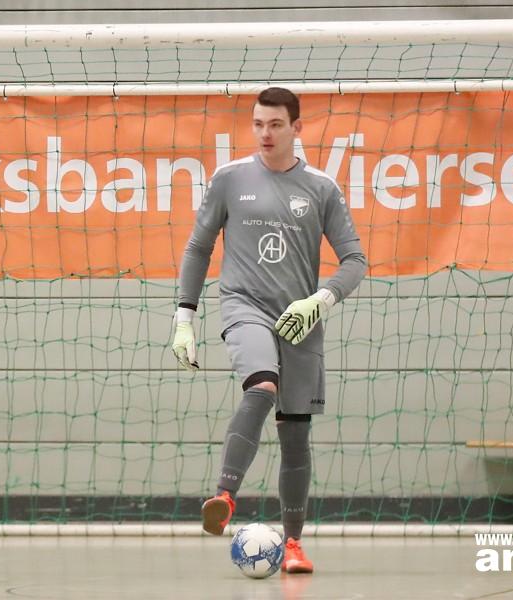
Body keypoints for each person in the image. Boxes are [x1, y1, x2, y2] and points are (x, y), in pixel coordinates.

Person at [171, 87, 367, 574]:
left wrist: (321, 301)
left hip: (299, 319)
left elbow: (355, 260)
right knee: (262, 384)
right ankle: (224, 495)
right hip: (244, 306)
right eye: (258, 123)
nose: (265, 133)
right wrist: (184, 318)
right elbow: (198, 247)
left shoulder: (321, 188)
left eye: (275, 124)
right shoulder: (230, 179)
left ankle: (294, 545)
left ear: (296, 128)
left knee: (295, 436)